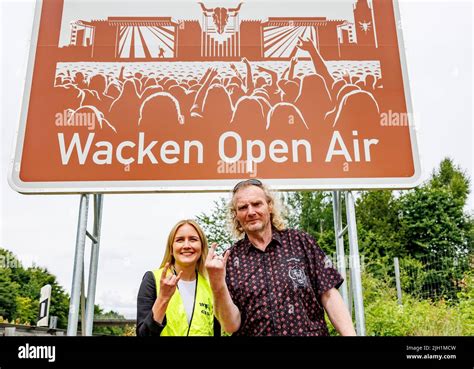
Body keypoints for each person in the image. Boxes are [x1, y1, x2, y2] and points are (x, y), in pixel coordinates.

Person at [205, 179, 356, 336]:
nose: (250, 212)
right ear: (236, 215)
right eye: (243, 207)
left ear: (269, 206)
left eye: (257, 204)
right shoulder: (229, 260)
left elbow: (329, 295)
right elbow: (230, 326)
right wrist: (217, 282)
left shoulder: (301, 241)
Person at [136, 219, 218, 336]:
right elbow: (143, 334)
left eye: (193, 239)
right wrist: (163, 298)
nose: (186, 245)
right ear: (171, 249)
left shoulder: (211, 286)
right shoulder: (152, 279)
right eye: (180, 240)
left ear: (202, 246)